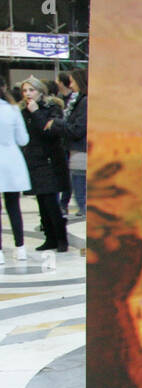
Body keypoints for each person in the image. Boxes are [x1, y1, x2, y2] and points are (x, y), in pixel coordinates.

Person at [17, 76, 68, 252]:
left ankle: (61, 239)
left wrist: (36, 112)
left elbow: (50, 132)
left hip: (50, 161)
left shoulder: (52, 108)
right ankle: (50, 238)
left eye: (31, 90)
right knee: (41, 202)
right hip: (33, 161)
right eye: (25, 90)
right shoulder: (23, 110)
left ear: (40, 91)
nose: (28, 94)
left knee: (51, 202)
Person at [49, 70, 86, 218]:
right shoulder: (77, 101)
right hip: (76, 150)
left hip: (81, 151)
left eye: (72, 81)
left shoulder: (84, 102)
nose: (71, 85)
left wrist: (57, 124)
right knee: (77, 187)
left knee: (79, 189)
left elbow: (78, 129)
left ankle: (82, 210)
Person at [0, 86, 31, 264]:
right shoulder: (12, 110)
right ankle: (20, 248)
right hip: (12, 162)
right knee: (14, 207)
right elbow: (23, 139)